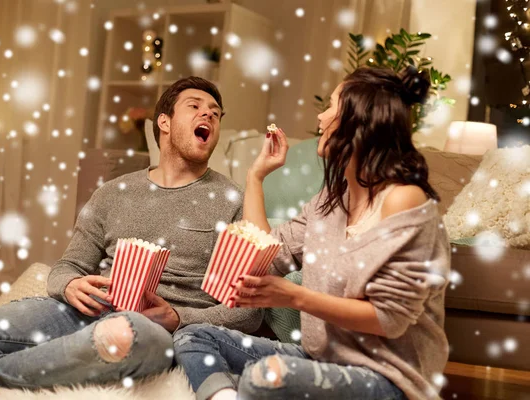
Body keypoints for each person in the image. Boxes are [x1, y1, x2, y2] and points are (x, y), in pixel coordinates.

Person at [0, 77, 263, 392]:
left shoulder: (233, 200)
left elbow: (249, 312)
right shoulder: (112, 192)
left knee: (123, 336)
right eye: (195, 106)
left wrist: (179, 317)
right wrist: (70, 285)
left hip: (155, 331)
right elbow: (68, 266)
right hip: (89, 309)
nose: (208, 114)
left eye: (215, 113)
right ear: (164, 122)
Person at [173, 67, 451, 400]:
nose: (320, 117)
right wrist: (255, 177)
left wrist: (293, 297)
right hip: (320, 361)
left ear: (358, 120)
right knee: (194, 337)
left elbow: (389, 319)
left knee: (265, 377)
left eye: (331, 106)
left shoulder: (404, 200)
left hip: (387, 377)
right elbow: (269, 256)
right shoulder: (330, 203)